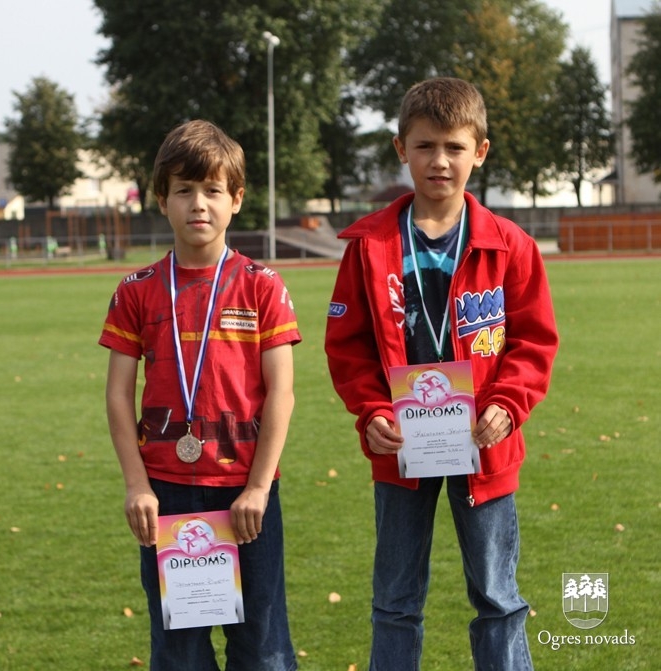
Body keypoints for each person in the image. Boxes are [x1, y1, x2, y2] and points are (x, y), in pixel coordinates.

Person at [324, 77, 559, 670]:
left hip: (486, 442)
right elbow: (346, 345)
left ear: (479, 151)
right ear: (401, 148)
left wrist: (508, 402)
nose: (440, 161)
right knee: (396, 601)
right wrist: (373, 411)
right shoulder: (370, 246)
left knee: (498, 597)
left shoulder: (511, 246)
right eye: (425, 146)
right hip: (401, 447)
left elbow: (533, 342)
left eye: (455, 147)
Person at [100, 120, 300, 671]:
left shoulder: (262, 285)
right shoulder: (137, 290)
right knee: (179, 651)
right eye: (184, 190)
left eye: (213, 190)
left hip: (245, 493)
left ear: (236, 199)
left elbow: (281, 391)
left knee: (261, 645)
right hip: (165, 493)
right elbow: (119, 394)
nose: (199, 204)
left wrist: (258, 486)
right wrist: (137, 485)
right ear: (162, 199)